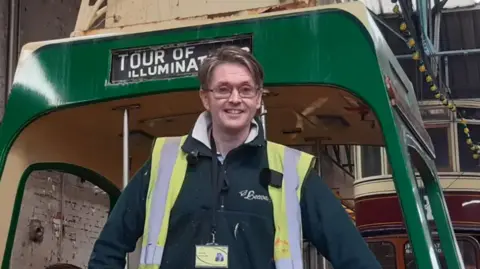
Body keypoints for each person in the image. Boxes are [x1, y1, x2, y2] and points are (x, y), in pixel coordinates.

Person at [88, 46, 381, 269]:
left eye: (245, 89)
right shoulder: (164, 162)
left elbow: (355, 258)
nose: (235, 99)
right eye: (223, 89)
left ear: (258, 99)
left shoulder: (291, 170)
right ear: (205, 97)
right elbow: (109, 248)